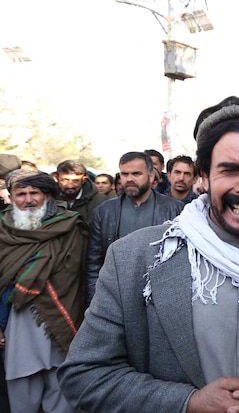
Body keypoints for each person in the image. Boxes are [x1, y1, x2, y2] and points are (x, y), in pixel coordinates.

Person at [59, 96, 239, 413]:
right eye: (229, 170)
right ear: (204, 176)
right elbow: (85, 375)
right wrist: (187, 403)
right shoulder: (133, 259)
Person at [0, 169, 88, 413]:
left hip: (61, 316)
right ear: (11, 197)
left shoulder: (70, 225)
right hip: (15, 322)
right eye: (21, 194)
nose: (28, 199)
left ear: (47, 196)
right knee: (21, 389)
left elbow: (74, 273)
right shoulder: (3, 229)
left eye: (34, 193)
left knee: (60, 387)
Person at [85, 151, 184, 303]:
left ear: (151, 177)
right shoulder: (104, 212)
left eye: (136, 173)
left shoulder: (175, 209)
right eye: (125, 174)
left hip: (161, 295)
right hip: (116, 294)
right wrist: (96, 299)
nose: (129, 179)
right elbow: (94, 262)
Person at [55, 159, 108, 226]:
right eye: (65, 180)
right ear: (56, 178)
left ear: (83, 180)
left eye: (75, 181)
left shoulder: (100, 201)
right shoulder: (50, 198)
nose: (70, 185)